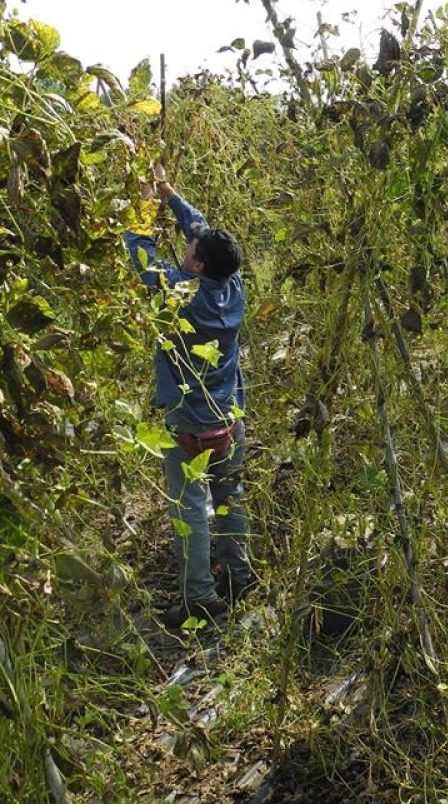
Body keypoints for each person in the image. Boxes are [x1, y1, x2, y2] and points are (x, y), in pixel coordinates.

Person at [124, 164, 254, 630]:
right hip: (230, 419)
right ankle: (239, 574)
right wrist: (171, 196)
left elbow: (140, 255)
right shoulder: (233, 287)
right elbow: (200, 229)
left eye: (189, 249)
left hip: (189, 426)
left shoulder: (179, 293)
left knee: (191, 511)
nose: (186, 242)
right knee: (230, 497)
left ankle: (200, 596)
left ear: (197, 265)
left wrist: (142, 206)